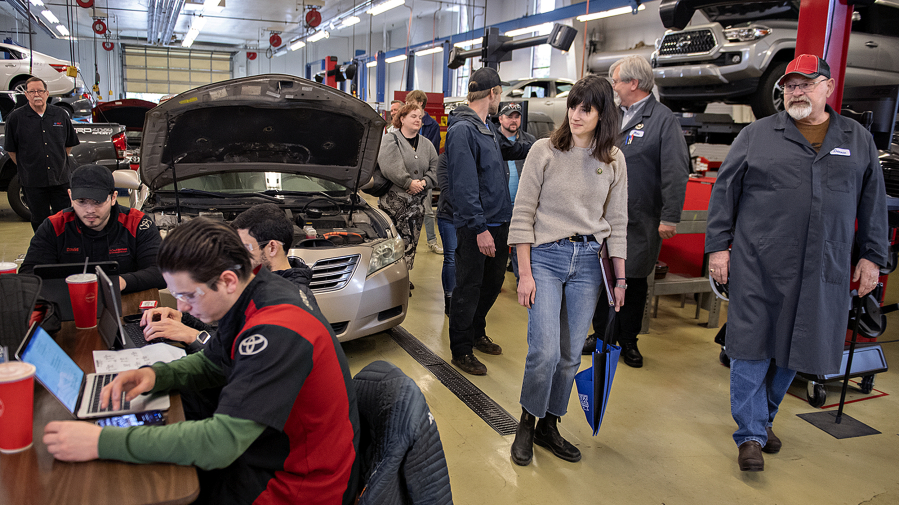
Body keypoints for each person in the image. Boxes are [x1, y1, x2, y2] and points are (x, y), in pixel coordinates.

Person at [42, 218, 360, 504]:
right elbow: (212, 363)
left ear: (227, 280)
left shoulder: (276, 331)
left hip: (302, 483)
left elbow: (219, 444)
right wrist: (154, 376)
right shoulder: (256, 289)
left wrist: (102, 441)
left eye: (189, 296)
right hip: (272, 449)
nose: (184, 307)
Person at [705, 54, 887, 472]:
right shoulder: (757, 134)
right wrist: (719, 249)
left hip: (824, 263)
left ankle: (763, 419)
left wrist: (872, 258)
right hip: (759, 261)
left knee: (795, 344)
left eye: (806, 83)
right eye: (790, 85)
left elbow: (872, 203)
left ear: (828, 86)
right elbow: (724, 192)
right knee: (751, 345)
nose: (796, 92)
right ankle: (749, 434)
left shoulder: (855, 139)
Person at [508, 74, 627, 466]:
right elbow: (522, 214)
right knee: (543, 349)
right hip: (544, 258)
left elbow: (618, 222)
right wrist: (524, 272)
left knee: (571, 353)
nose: (577, 114)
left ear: (601, 114)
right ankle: (527, 421)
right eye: (573, 106)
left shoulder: (612, 159)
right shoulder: (543, 150)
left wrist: (620, 277)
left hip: (590, 265)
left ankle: (550, 425)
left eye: (587, 108)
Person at [583, 55, 690, 368]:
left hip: (641, 218)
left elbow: (675, 169)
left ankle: (628, 339)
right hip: (604, 216)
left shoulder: (663, 120)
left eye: (617, 80)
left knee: (632, 279)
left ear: (633, 83)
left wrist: (670, 215)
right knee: (604, 276)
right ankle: (601, 336)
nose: (613, 86)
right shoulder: (612, 115)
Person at [444, 66, 533, 375]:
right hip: (476, 228)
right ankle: (461, 349)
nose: (501, 100)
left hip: (499, 222)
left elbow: (514, 148)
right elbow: (465, 185)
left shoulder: (488, 127)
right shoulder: (462, 129)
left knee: (492, 284)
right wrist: (479, 227)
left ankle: (476, 331)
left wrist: (548, 144)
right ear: (494, 93)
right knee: (468, 286)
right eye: (501, 94)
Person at [140, 203, 319, 353]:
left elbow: (237, 356)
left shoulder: (287, 304)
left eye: (244, 248)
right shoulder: (257, 281)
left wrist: (193, 336)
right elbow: (224, 332)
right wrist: (182, 318)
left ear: (272, 248)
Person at [19, 164, 165, 294]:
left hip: (126, 303)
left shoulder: (138, 223)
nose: (89, 210)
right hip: (68, 304)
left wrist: (121, 282)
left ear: (113, 197)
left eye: (97, 202)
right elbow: (28, 274)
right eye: (81, 201)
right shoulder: (54, 226)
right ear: (70, 196)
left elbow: (162, 273)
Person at [3, 76, 79, 231]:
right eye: (32, 91)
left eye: (40, 91)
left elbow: (68, 145)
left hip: (60, 180)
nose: (36, 94)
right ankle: (43, 252)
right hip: (33, 182)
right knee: (39, 220)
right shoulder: (15, 118)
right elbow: (11, 150)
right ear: (26, 95)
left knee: (65, 219)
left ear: (47, 93)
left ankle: (65, 251)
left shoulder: (61, 115)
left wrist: (57, 162)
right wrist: (29, 166)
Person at [377, 103, 438, 281]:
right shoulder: (390, 139)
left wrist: (425, 181)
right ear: (402, 119)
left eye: (420, 117)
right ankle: (387, 279)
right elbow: (390, 166)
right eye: (413, 116)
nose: (418, 119)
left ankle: (404, 277)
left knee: (411, 242)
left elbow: (435, 168)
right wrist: (408, 182)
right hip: (394, 206)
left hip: (417, 206)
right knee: (391, 243)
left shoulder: (426, 144)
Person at [495, 102, 537, 280]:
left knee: (523, 245)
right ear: (500, 118)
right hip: (498, 205)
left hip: (523, 205)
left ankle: (523, 280)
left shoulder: (531, 141)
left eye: (516, 116)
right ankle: (496, 280)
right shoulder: (492, 139)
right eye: (509, 116)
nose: (513, 120)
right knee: (498, 248)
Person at [406, 89, 444, 255]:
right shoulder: (405, 123)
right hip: (406, 176)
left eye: (410, 103)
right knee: (405, 211)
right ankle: (404, 243)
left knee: (427, 211)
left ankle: (432, 242)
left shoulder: (432, 126)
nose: (407, 106)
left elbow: (432, 152)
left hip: (424, 175)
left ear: (420, 103)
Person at [435, 153, 456, 315]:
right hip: (448, 215)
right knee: (451, 257)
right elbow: (446, 188)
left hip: (471, 216)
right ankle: (450, 299)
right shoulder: (445, 158)